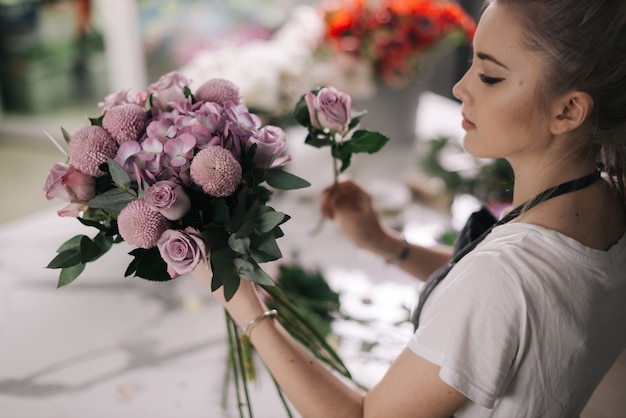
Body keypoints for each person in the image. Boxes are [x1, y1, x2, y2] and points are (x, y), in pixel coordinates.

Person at [192, 0, 626, 416]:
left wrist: (244, 302)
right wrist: (385, 244)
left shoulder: (503, 278)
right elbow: (511, 304)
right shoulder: (608, 201)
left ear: (568, 110)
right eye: (472, 63)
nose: (461, 87)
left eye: (490, 76)